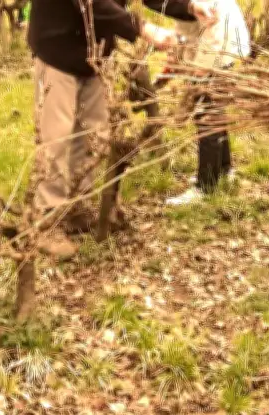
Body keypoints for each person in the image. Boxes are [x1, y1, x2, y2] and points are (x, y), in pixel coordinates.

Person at [28, 0, 218, 258]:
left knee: (94, 136)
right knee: (57, 138)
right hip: (57, 48)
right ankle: (47, 221)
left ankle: (75, 208)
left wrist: (187, 6)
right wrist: (143, 28)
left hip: (93, 56)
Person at [164, 0, 251, 206]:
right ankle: (223, 168)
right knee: (215, 110)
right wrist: (178, 53)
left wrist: (201, 70)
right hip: (218, 42)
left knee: (207, 115)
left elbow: (214, 29)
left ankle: (206, 185)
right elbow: (185, 21)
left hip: (219, 46)